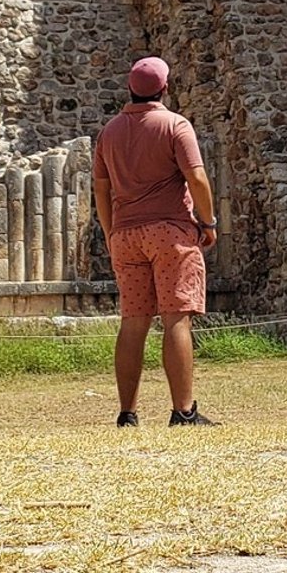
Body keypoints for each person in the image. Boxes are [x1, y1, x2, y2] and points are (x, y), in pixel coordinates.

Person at [91, 55, 221, 428]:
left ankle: (127, 413)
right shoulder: (175, 125)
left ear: (129, 88)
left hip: (126, 235)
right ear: (165, 88)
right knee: (176, 319)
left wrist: (110, 229)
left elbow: (101, 188)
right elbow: (196, 178)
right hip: (170, 232)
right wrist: (208, 221)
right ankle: (183, 411)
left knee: (133, 323)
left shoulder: (110, 132)